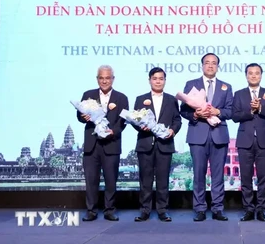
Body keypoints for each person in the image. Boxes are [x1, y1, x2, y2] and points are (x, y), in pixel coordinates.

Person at [180, 53, 233, 222]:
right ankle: (200, 208)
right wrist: (195, 114)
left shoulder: (226, 86)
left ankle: (217, 208)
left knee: (218, 175)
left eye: (214, 63)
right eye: (207, 63)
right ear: (202, 65)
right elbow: (183, 110)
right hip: (198, 135)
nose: (210, 66)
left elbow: (231, 111)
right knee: (198, 174)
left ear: (218, 66)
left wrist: (217, 112)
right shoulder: (191, 84)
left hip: (219, 135)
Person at [76, 65, 129, 222]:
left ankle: (110, 210)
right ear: (97, 78)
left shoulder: (121, 97)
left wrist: (114, 131)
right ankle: (91, 211)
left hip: (111, 144)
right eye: (101, 78)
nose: (104, 81)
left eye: (107, 78)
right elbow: (79, 115)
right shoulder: (88, 94)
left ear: (113, 79)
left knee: (111, 180)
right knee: (91, 180)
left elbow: (123, 121)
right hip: (92, 145)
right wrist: (82, 117)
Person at [133, 67, 181, 222]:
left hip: (164, 145)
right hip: (145, 144)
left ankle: (162, 210)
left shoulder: (172, 99)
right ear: (149, 80)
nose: (158, 81)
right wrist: (140, 126)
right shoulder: (141, 99)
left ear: (165, 81)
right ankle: (144, 211)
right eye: (155, 78)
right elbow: (134, 119)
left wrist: (173, 131)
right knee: (145, 180)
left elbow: (177, 120)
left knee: (163, 180)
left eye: (161, 78)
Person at [232, 63, 265, 222]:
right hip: (245, 141)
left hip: (264, 141)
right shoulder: (239, 94)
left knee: (263, 177)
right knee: (245, 177)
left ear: (261, 75)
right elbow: (235, 116)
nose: (253, 76)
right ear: (246, 76)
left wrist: (260, 109)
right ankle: (248, 209)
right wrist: (250, 112)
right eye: (250, 73)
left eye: (257, 73)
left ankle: (261, 209)